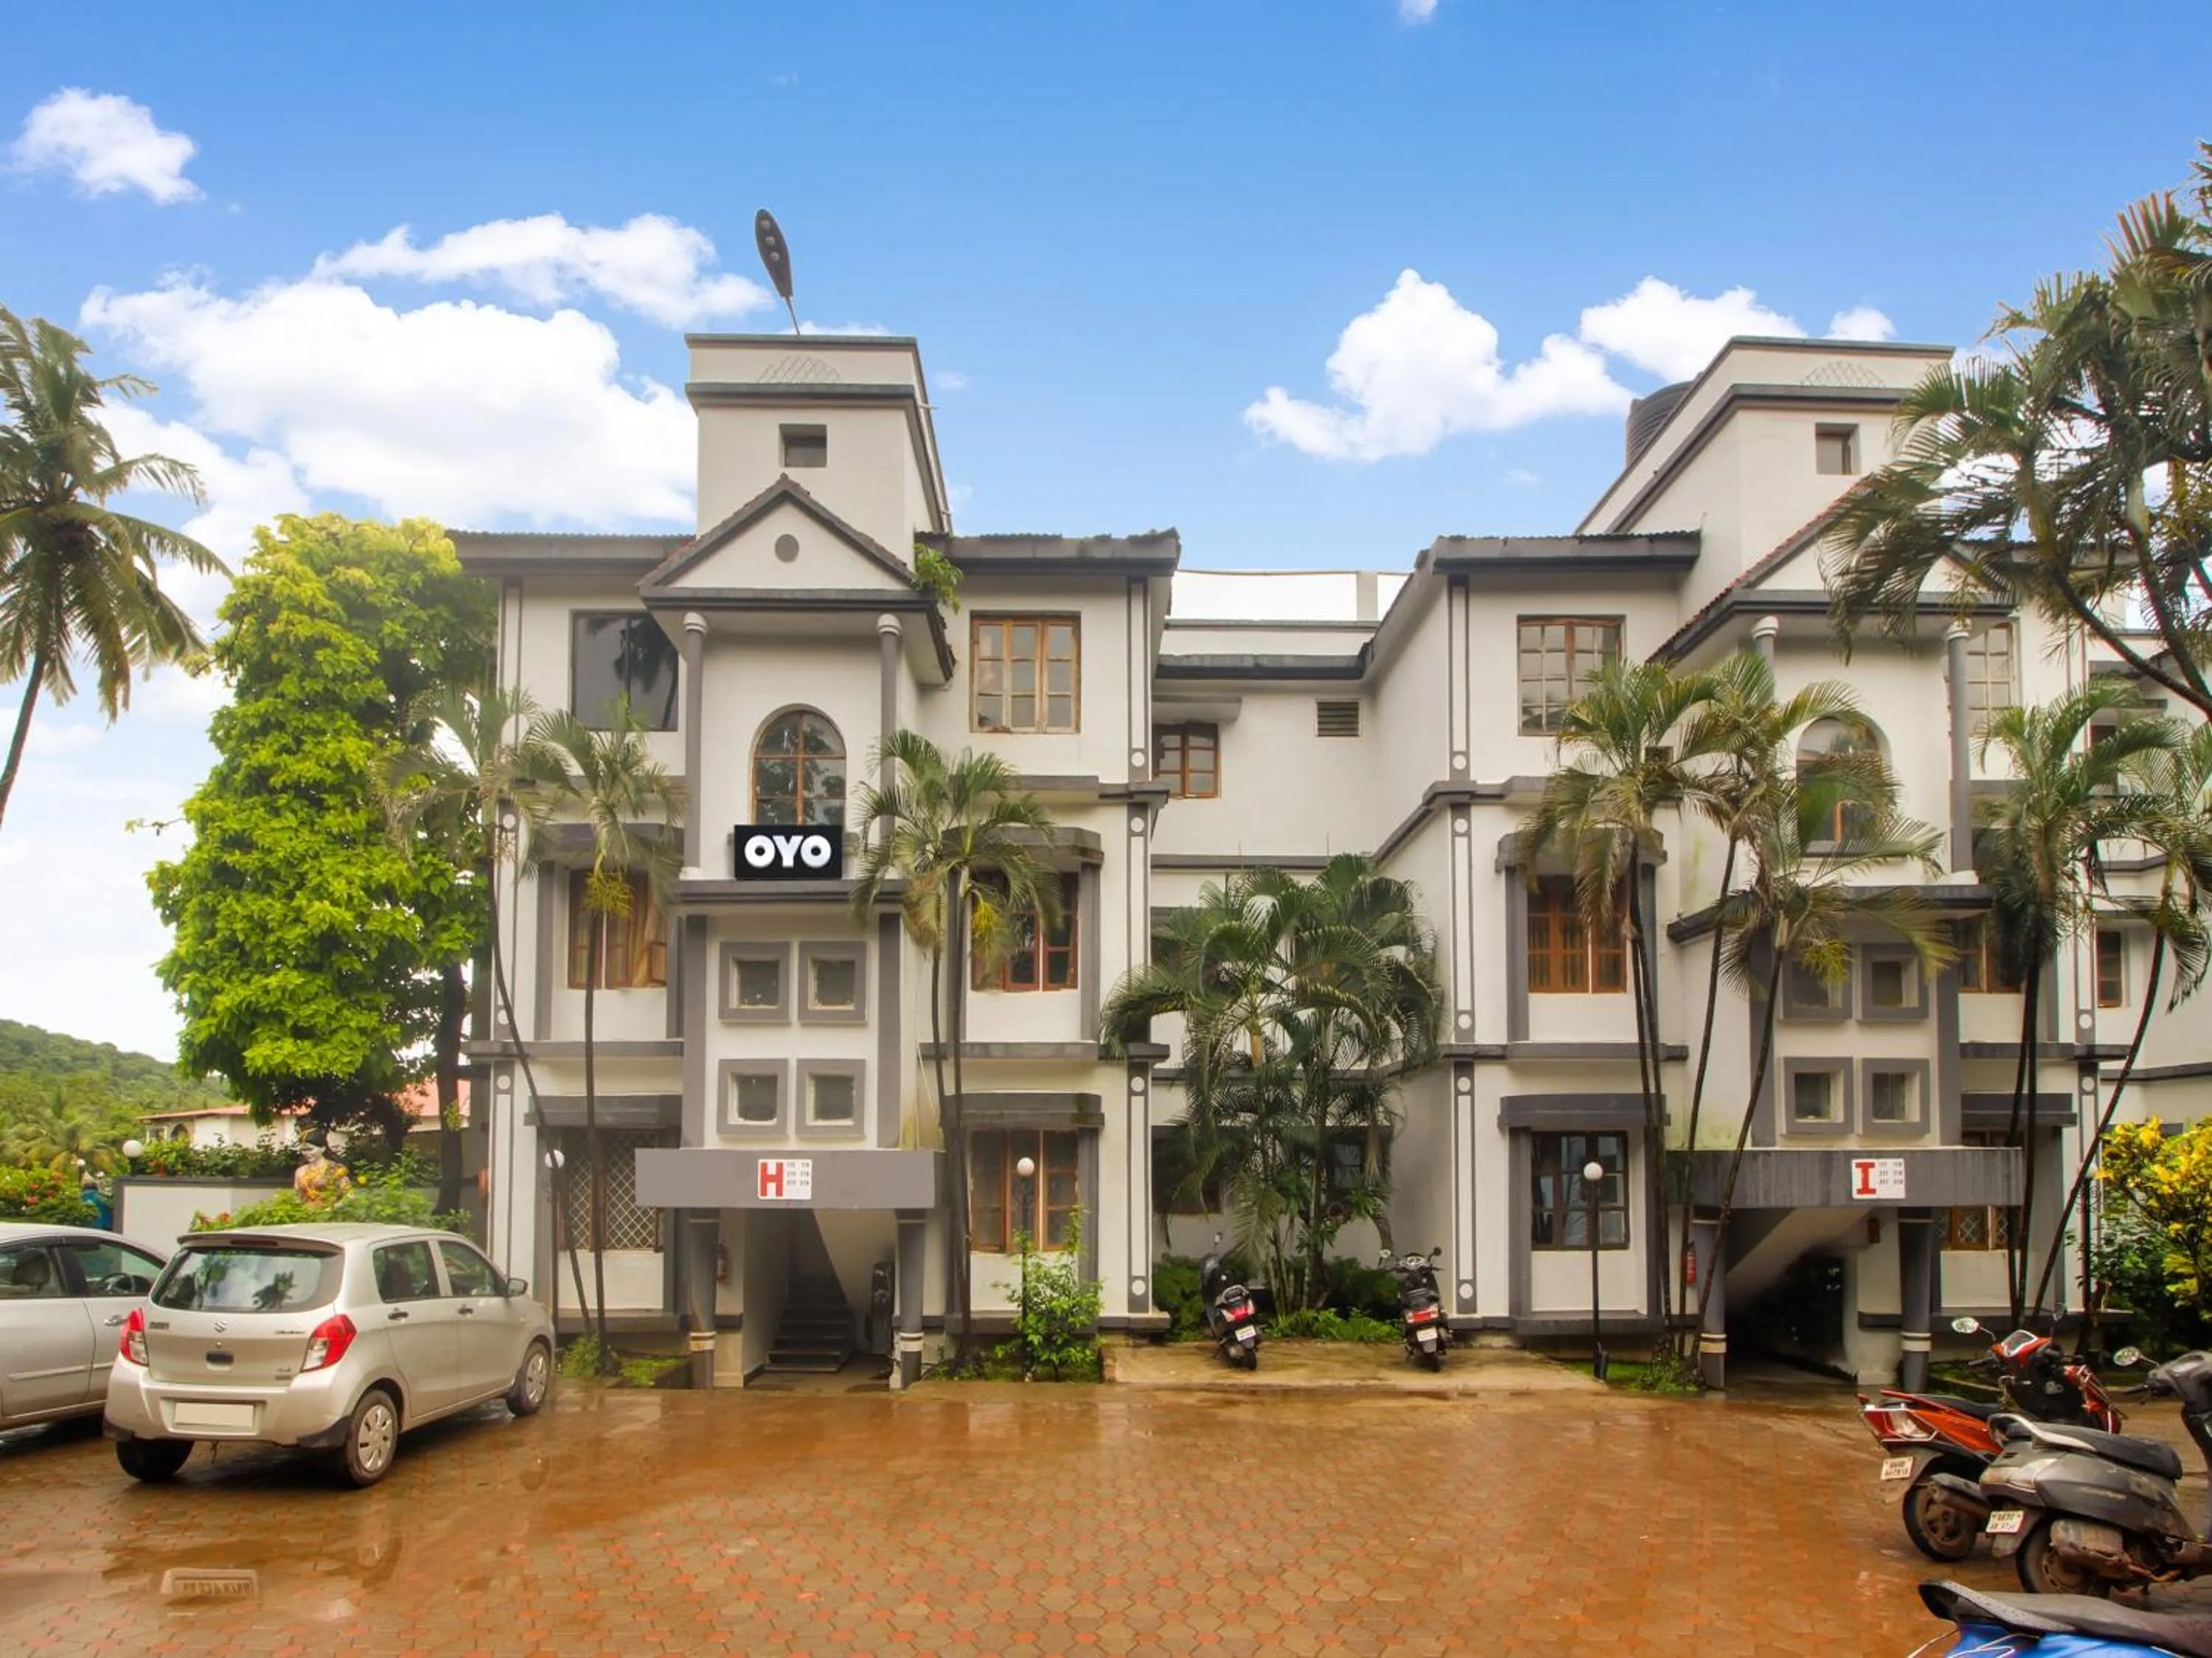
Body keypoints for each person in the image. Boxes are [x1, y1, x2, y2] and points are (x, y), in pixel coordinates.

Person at [293, 1130, 352, 1205]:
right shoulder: (300, 1171)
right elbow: (298, 1197)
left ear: (323, 1148)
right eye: (303, 1150)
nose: (306, 1153)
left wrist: (333, 1209)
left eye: (310, 1149)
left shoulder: (336, 1169)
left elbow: (348, 1196)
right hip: (306, 1214)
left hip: (331, 1214)